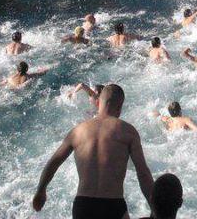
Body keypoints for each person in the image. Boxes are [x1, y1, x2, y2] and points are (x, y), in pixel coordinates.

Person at [32, 84, 154, 218]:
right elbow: (143, 173)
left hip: (83, 205)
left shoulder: (77, 131)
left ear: (98, 103)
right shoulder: (128, 131)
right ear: (119, 107)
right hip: (113, 205)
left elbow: (54, 162)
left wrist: (41, 190)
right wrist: (155, 208)